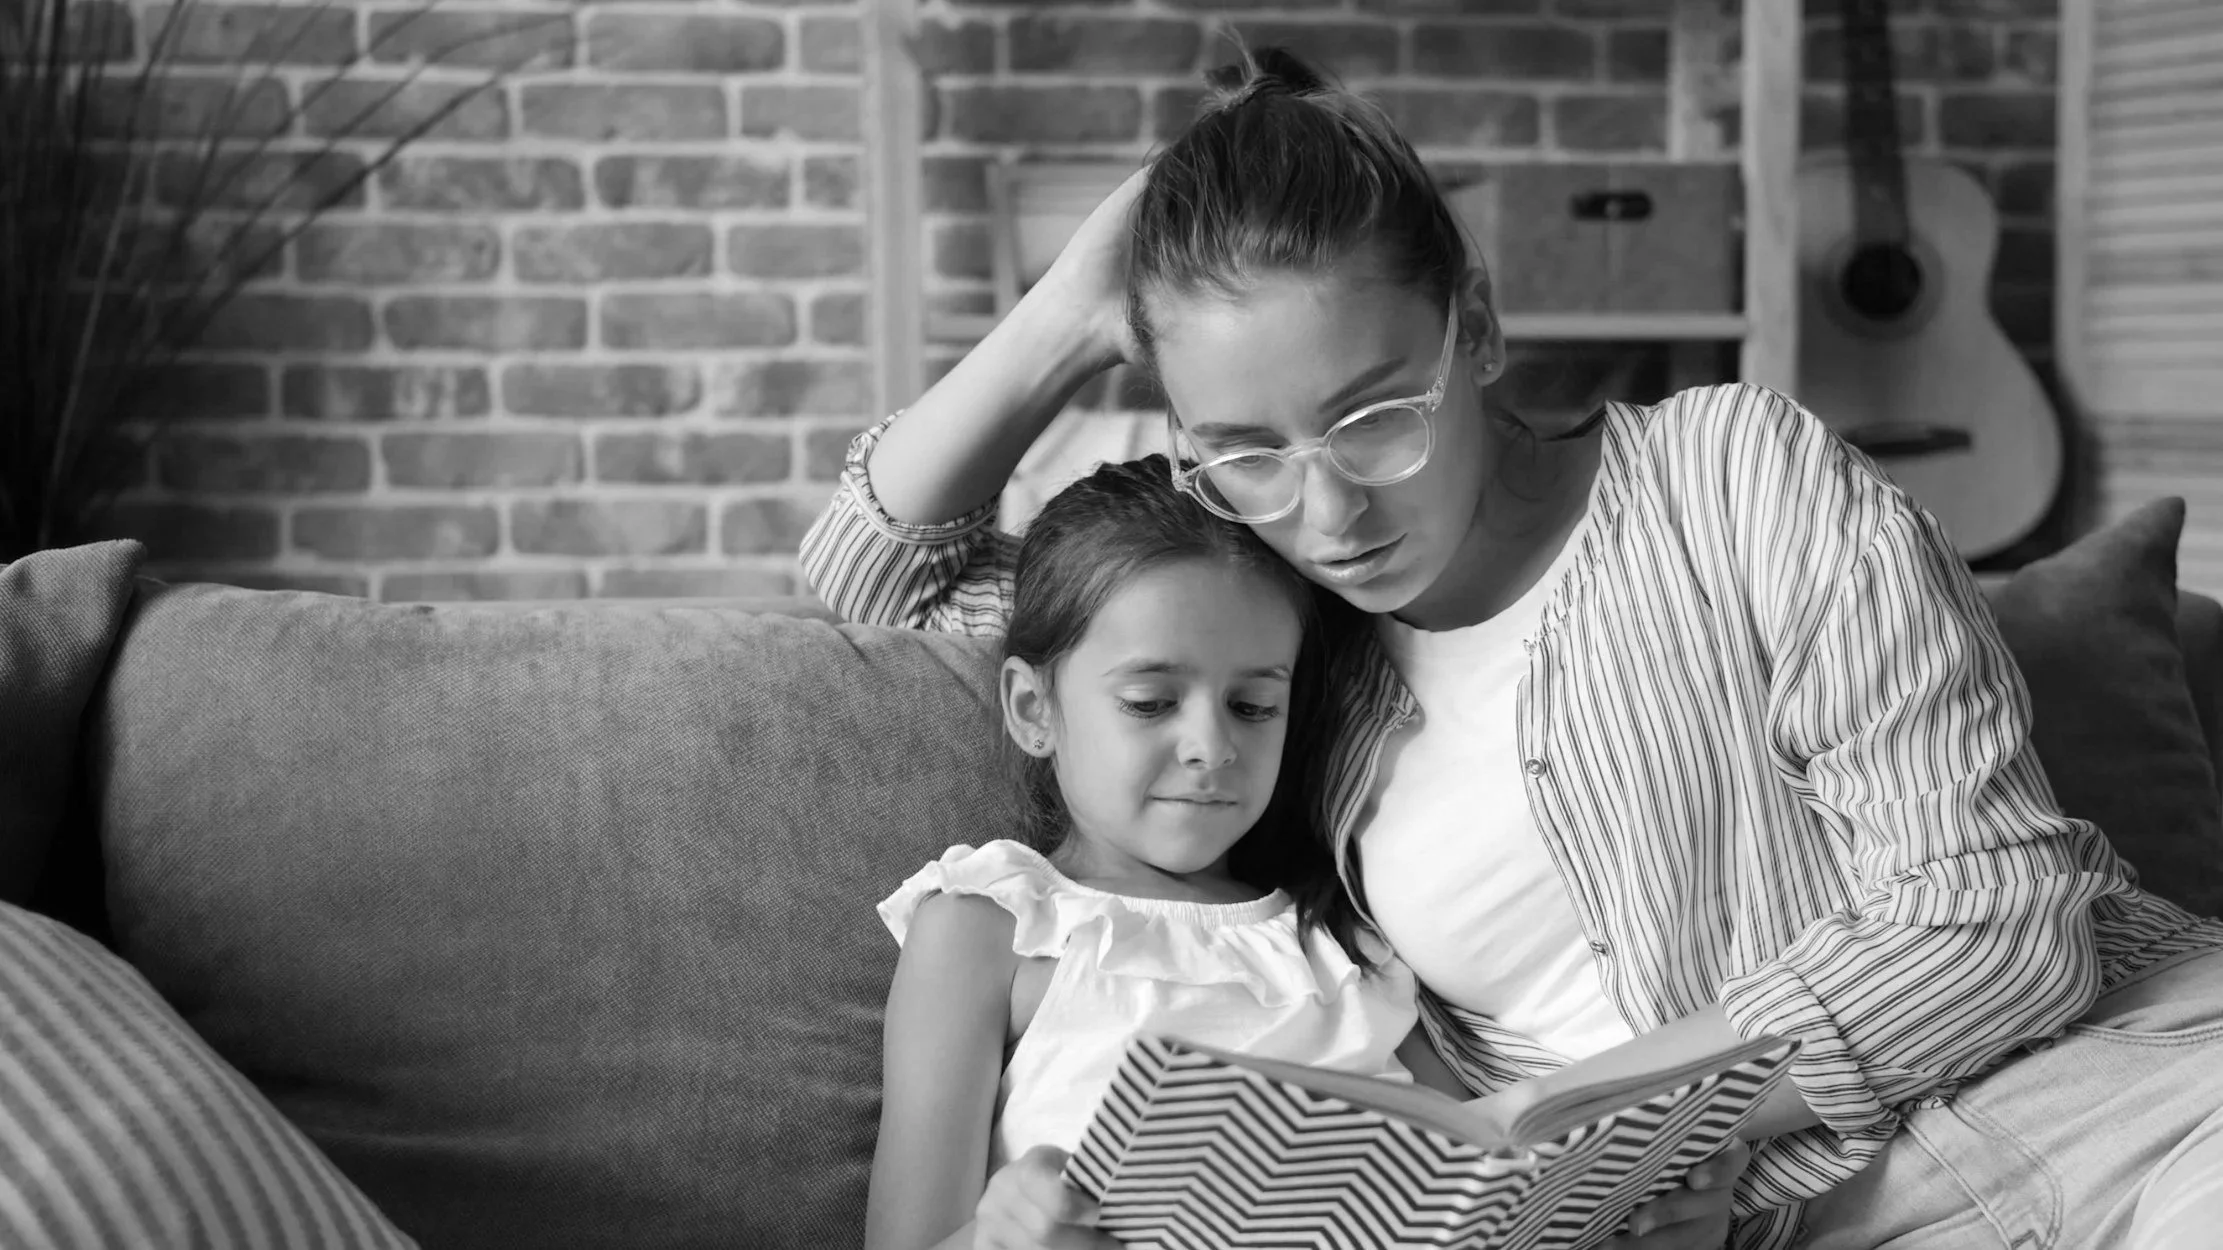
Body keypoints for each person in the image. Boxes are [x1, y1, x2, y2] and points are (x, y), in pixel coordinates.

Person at [811, 43, 2223, 1250]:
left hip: (2114, 1096)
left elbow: (1998, 913)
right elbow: (872, 576)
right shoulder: (1280, 642)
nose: (1326, 510)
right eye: (1242, 448)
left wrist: (1589, 1126)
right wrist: (1066, 318)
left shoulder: (1728, 475)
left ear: (1472, 328)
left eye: (1373, 417)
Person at [864, 457, 1747, 1250]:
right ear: (1031, 709)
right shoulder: (991, 927)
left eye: (1252, 708)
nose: (1211, 746)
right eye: (1148, 702)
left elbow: (1476, 1193)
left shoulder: (1343, 950)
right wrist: (995, 1237)